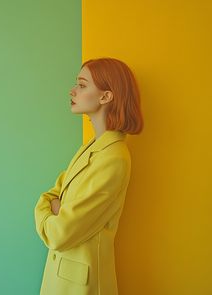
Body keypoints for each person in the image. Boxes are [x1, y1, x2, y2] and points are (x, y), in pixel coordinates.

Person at [34, 57, 144, 295]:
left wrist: (57, 210)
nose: (73, 91)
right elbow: (50, 195)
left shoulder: (113, 158)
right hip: (62, 278)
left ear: (106, 96)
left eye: (82, 85)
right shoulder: (92, 147)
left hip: (83, 286)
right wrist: (55, 206)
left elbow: (60, 234)